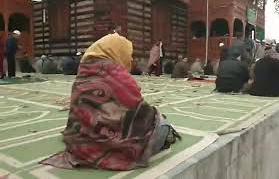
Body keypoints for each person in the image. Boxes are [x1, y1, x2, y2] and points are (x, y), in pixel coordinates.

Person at [41, 33, 181, 171]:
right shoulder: (117, 75)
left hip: (82, 143)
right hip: (117, 145)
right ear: (118, 51)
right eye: (128, 53)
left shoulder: (84, 71)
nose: (130, 58)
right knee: (163, 124)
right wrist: (156, 116)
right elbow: (140, 113)